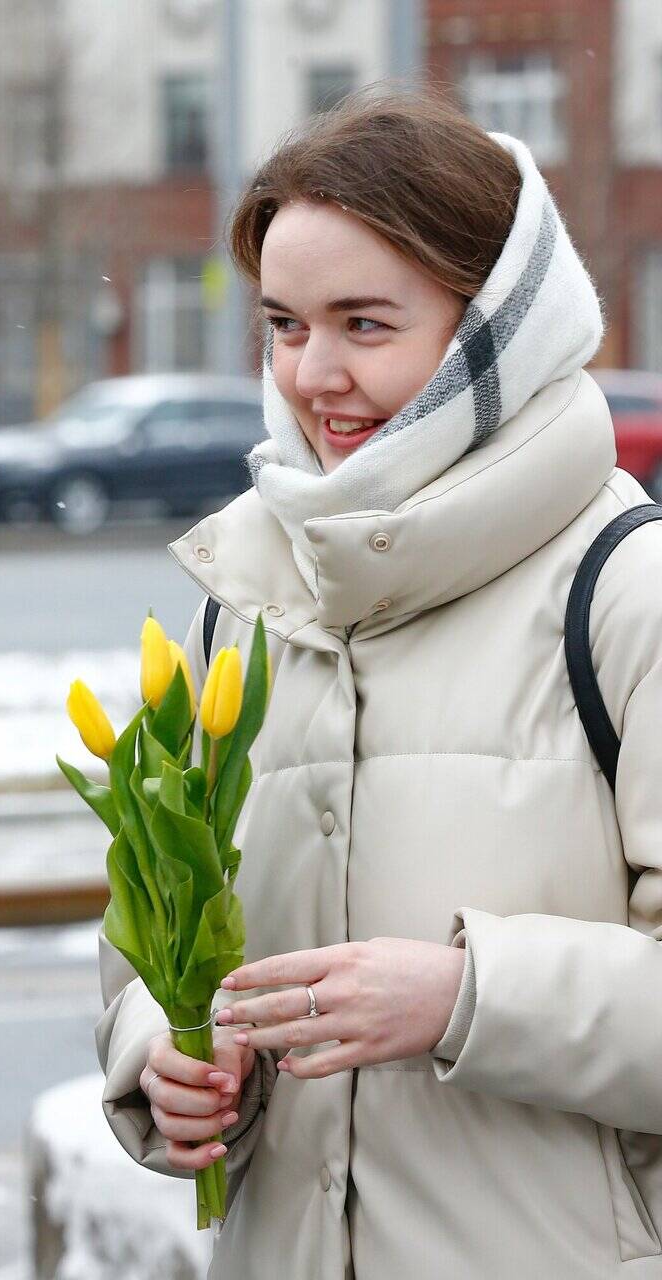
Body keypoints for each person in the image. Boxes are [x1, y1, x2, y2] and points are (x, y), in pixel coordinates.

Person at [96, 89, 662, 1278]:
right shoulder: (239, 588)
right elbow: (157, 943)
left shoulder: (625, 586)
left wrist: (466, 996)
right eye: (284, 325)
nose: (311, 375)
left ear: (493, 324)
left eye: (363, 323)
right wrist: (166, 1057)